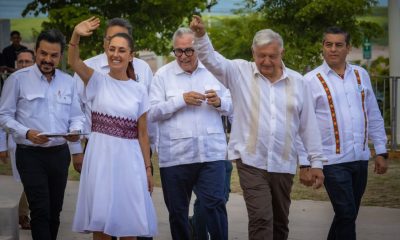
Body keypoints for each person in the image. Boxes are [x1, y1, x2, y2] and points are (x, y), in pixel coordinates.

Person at [190, 16, 327, 240]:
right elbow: (211, 59)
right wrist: (200, 36)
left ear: (281, 53)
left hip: (283, 163)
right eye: (261, 55)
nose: (266, 61)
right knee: (261, 218)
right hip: (251, 161)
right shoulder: (239, 72)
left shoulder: (298, 82)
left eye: (272, 56)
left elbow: (308, 126)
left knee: (280, 222)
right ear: (253, 53)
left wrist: (315, 163)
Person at [69, 17, 157, 240]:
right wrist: (76, 35)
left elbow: (143, 134)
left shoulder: (139, 91)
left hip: (130, 161)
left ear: (131, 55)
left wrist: (147, 169)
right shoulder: (96, 80)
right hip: (100, 159)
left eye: (121, 50)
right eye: (111, 49)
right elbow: (74, 61)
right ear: (107, 52)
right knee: (102, 225)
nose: (115, 54)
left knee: (129, 223)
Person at [298, 26, 388, 240]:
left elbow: (373, 113)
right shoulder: (310, 80)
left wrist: (381, 151)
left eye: (339, 45)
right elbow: (301, 125)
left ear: (348, 48)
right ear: (323, 47)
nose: (333, 49)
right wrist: (305, 163)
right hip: (331, 160)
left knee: (347, 215)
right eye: (328, 44)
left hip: (359, 158)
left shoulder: (360, 74)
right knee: (346, 213)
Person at [0, 29, 85, 240]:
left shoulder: (68, 82)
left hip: (58, 155)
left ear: (61, 56)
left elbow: (77, 116)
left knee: (55, 211)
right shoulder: (17, 80)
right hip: (30, 155)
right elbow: (4, 116)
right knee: (40, 210)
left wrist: (75, 132)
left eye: (53, 55)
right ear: (36, 51)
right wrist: (26, 132)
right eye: (43, 53)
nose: (48, 59)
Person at [148, 27, 232, 240]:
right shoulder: (162, 75)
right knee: (178, 213)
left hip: (211, 154)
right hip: (176, 157)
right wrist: (180, 101)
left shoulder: (215, 70)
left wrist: (220, 102)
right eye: (179, 51)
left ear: (198, 49)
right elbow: (151, 113)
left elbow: (235, 106)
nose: (183, 56)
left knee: (215, 205)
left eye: (189, 50)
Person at [72, 17, 155, 176]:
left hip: (133, 149)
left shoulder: (143, 70)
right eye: (111, 41)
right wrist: (76, 150)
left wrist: (148, 162)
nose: (116, 51)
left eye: (122, 43)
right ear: (105, 42)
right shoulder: (92, 73)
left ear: (131, 50)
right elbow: (76, 109)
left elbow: (146, 122)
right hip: (99, 148)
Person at [0, 49, 35, 230]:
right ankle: (24, 214)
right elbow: (3, 117)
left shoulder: (41, 83)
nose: (23, 65)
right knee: (25, 180)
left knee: (34, 181)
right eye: (20, 62)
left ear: (34, 63)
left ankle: (25, 214)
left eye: (27, 62)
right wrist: (1, 147)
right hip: (18, 144)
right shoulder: (12, 83)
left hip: (41, 144)